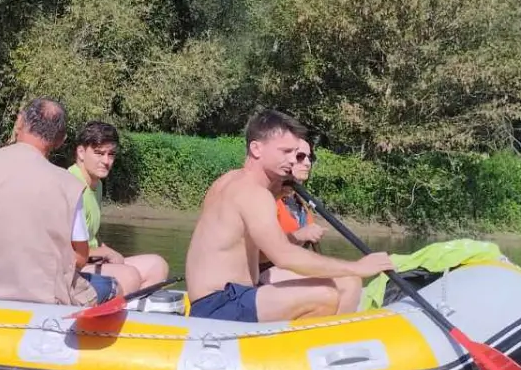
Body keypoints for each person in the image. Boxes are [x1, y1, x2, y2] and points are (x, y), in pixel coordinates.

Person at [184, 110, 392, 322]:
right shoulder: (253, 194)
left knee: (348, 281)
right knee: (325, 296)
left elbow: (246, 245)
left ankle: (330, 346)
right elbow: (284, 257)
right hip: (219, 303)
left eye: (295, 152)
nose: (293, 160)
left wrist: (274, 193)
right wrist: (358, 266)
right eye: (285, 151)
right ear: (256, 149)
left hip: (235, 293)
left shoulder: (229, 180)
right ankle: (312, 350)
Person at [0, 98, 113, 306]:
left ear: (19, 122)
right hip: (45, 301)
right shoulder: (69, 185)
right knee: (112, 285)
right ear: (61, 140)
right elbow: (80, 258)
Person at [67, 121, 170, 296]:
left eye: (111, 154)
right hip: (72, 269)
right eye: (99, 153)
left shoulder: (97, 185)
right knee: (130, 276)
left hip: (93, 261)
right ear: (81, 152)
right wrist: (105, 252)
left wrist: (102, 249)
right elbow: (64, 250)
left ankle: (133, 316)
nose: (106, 161)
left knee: (157, 266)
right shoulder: (71, 185)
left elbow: (89, 234)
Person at [277, 138, 325, 250]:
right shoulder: (269, 199)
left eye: (310, 158)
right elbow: (259, 251)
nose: (308, 163)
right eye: (300, 157)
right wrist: (299, 235)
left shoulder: (300, 203)